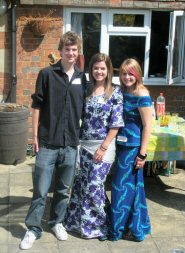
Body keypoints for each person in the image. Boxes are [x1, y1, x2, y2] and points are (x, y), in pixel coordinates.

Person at [20, 31, 87, 250]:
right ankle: (33, 228)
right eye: (67, 49)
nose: (70, 53)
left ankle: (57, 222)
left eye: (74, 49)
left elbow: (85, 109)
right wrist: (35, 136)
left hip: (70, 145)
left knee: (63, 189)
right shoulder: (47, 74)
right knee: (40, 190)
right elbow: (37, 106)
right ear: (60, 51)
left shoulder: (81, 78)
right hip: (48, 142)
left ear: (78, 52)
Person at [65, 53, 124, 240]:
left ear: (108, 71)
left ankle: (101, 227)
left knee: (94, 186)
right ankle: (77, 223)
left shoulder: (115, 92)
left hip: (103, 146)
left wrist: (104, 148)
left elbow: (116, 124)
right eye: (96, 68)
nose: (99, 71)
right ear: (91, 70)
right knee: (82, 185)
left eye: (103, 68)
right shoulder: (87, 90)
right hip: (84, 145)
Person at [110, 58, 152, 242]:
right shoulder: (122, 91)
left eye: (131, 73)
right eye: (124, 73)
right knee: (125, 188)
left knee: (124, 189)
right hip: (120, 146)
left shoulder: (142, 94)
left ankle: (123, 228)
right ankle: (128, 226)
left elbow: (148, 126)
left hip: (133, 149)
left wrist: (142, 154)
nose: (127, 77)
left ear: (137, 74)